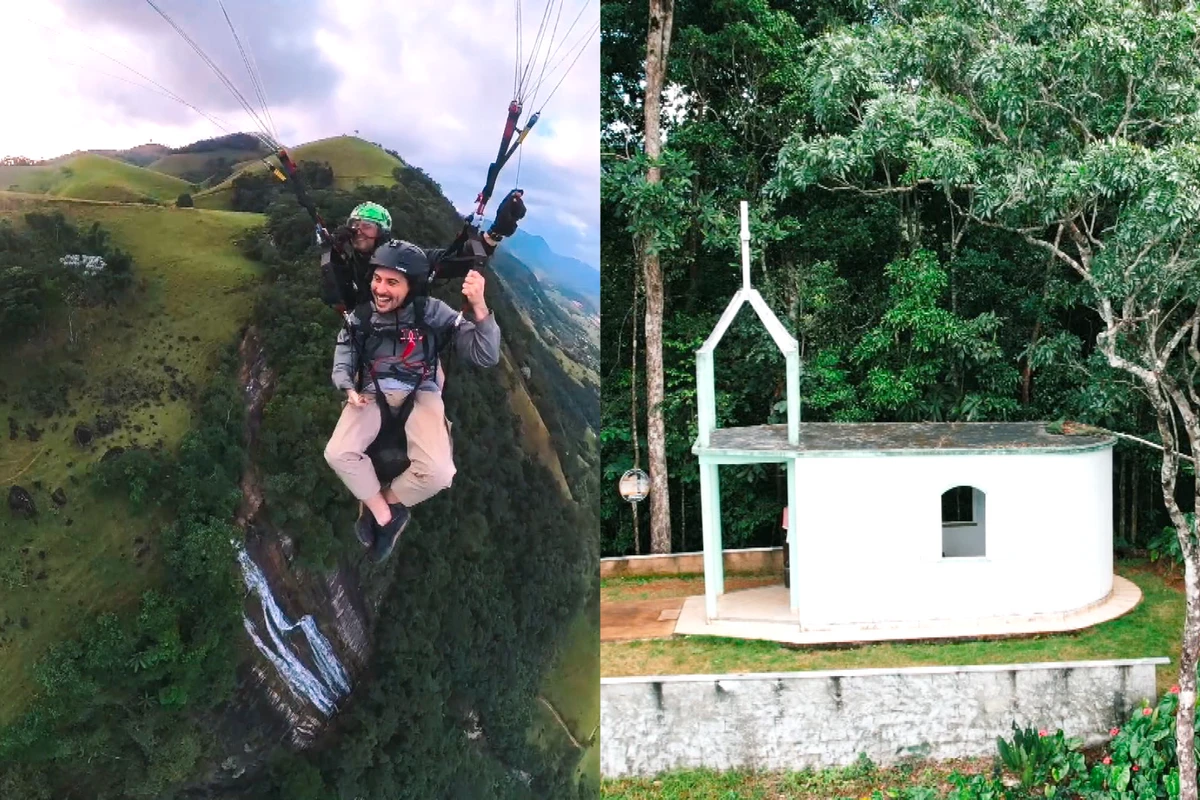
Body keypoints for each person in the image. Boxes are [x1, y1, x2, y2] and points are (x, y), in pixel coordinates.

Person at [322, 191, 526, 560]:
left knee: (437, 468)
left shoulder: (416, 271)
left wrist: (496, 232)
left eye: (367, 228)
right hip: (372, 365)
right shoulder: (348, 260)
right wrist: (331, 252)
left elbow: (455, 261)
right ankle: (385, 514)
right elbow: (337, 310)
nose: (359, 233)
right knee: (340, 451)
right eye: (355, 227)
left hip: (417, 370)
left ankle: (379, 506)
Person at [319, 201, 392, 310]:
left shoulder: (397, 258)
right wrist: (332, 250)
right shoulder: (353, 263)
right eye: (354, 225)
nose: (357, 231)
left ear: (382, 232)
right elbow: (338, 295)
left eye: (366, 226)